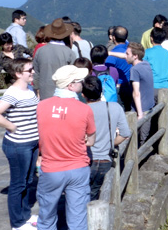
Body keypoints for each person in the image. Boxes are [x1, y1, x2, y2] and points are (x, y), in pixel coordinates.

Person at [36, 65, 96, 230]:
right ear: (71, 86)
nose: (82, 83)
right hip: (78, 167)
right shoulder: (85, 109)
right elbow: (91, 140)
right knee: (78, 220)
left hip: (51, 168)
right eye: (79, 81)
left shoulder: (41, 106)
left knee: (46, 218)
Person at [0, 58, 39, 230]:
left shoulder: (29, 89)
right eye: (29, 70)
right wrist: (12, 127)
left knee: (28, 180)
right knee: (18, 184)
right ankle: (17, 223)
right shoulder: (13, 93)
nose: (32, 72)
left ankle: (25, 216)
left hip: (31, 143)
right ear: (18, 74)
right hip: (19, 146)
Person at [82, 76, 131, 200]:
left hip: (85, 160)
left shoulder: (81, 110)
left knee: (82, 195)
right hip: (106, 160)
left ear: (83, 94)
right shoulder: (114, 107)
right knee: (98, 192)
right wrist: (111, 143)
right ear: (102, 90)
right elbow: (125, 133)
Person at [33, 18, 76, 100]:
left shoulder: (40, 51)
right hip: (63, 94)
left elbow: (36, 74)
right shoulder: (69, 53)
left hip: (44, 94)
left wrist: (37, 90)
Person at [125, 42, 154, 146]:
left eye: (127, 54)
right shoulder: (146, 64)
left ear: (135, 56)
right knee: (143, 138)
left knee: (134, 139)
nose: (125, 56)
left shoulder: (134, 70)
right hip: (149, 106)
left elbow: (136, 93)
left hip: (140, 109)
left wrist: (140, 114)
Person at [0, 32, 32, 101]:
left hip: (26, 81)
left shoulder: (19, 48)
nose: (10, 46)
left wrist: (31, 62)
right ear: (2, 45)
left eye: (11, 43)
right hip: (13, 84)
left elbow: (32, 52)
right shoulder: (1, 58)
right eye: (7, 45)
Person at [105, 26, 132, 109]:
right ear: (126, 37)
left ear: (113, 38)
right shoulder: (132, 52)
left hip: (119, 89)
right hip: (132, 86)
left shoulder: (111, 56)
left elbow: (107, 73)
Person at [143, 28, 168, 102]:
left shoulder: (147, 53)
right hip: (165, 88)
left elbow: (142, 70)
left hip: (152, 88)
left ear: (151, 38)